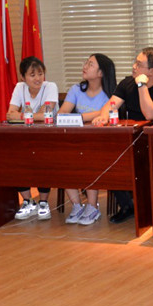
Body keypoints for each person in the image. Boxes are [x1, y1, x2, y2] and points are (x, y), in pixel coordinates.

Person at [94, 47, 153, 224]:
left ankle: (148, 206)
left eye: (139, 64)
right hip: (130, 138)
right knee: (108, 156)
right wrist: (103, 117)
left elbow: (150, 114)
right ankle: (128, 206)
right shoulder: (126, 83)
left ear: (151, 71)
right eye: (135, 62)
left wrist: (142, 85)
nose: (134, 66)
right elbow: (111, 105)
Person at [57, 53, 117, 225]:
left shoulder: (110, 94)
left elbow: (107, 112)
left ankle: (92, 206)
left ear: (101, 73)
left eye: (90, 64)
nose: (85, 66)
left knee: (89, 160)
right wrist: (89, 116)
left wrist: (80, 117)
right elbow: (61, 114)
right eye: (86, 63)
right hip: (75, 141)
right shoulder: (76, 89)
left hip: (99, 143)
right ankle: (77, 206)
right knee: (63, 161)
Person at [6, 56, 59, 221]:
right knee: (16, 160)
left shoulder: (50, 87)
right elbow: (10, 114)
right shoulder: (19, 87)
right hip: (26, 136)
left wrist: (22, 115)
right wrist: (31, 116)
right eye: (32, 75)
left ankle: (43, 202)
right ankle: (28, 201)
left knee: (42, 160)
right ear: (23, 77)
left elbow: (45, 115)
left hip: (49, 137)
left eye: (40, 74)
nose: (38, 78)